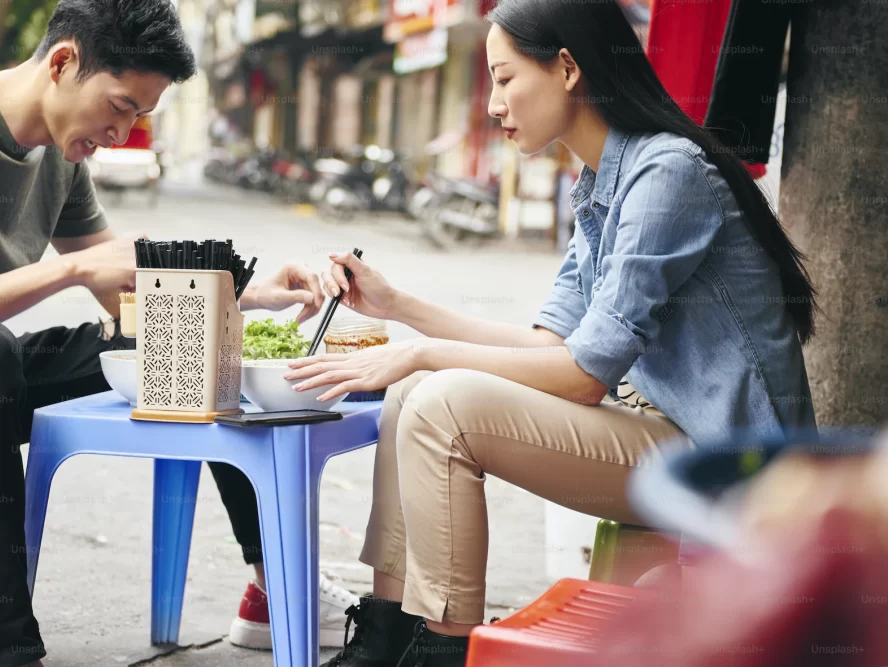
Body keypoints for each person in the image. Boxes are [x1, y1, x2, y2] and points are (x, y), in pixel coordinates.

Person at [284, 0, 818, 665]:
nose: (494, 105)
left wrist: (416, 352)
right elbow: (549, 346)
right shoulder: (600, 183)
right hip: (660, 435)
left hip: (727, 466)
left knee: (438, 400)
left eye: (506, 80)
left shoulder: (667, 174)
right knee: (414, 388)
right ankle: (387, 636)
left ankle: (442, 650)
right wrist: (399, 308)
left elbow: (583, 376)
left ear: (567, 68)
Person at [0, 0, 356, 665]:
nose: (120, 133)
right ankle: (12, 654)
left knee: (183, 336)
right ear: (62, 62)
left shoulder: (57, 155)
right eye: (117, 107)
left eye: (138, 116)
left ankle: (268, 587)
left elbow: (130, 278)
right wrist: (69, 270)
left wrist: (249, 293)